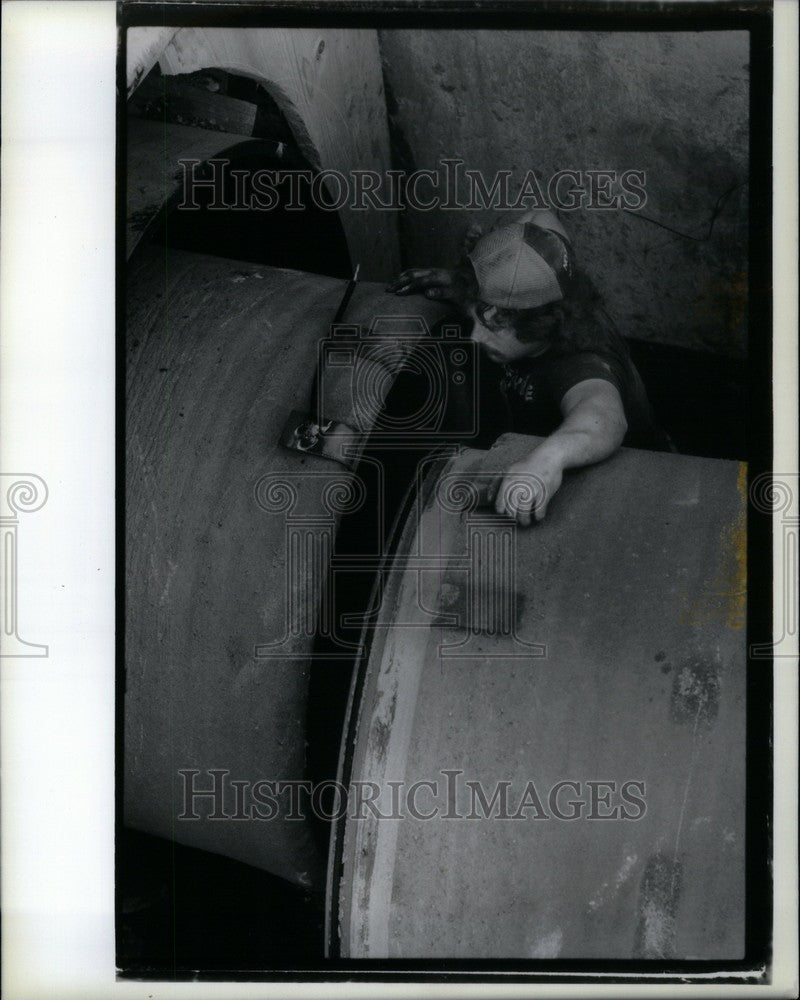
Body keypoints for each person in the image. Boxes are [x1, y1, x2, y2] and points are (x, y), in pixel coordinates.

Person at [386, 209, 668, 526]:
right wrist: (480, 284)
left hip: (634, 487)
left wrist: (546, 462)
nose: (475, 337)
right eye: (477, 318)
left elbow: (603, 418)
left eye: (492, 327)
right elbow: (540, 216)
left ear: (539, 325)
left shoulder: (581, 362)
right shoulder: (553, 268)